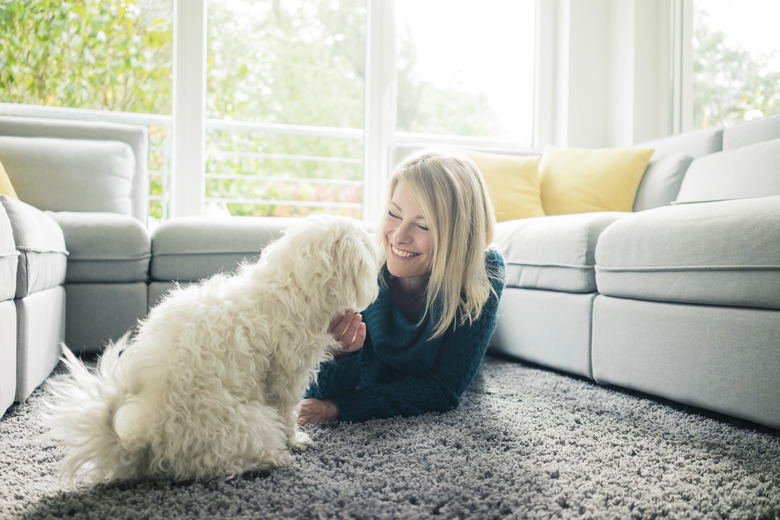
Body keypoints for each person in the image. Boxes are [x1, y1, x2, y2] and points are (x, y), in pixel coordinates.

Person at [297, 149, 506, 425]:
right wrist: (341, 353)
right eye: (394, 214)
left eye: (423, 226)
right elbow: (318, 391)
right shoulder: (361, 265)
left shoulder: (483, 270)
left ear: (459, 237)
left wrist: (340, 408)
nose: (398, 236)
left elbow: (443, 389)